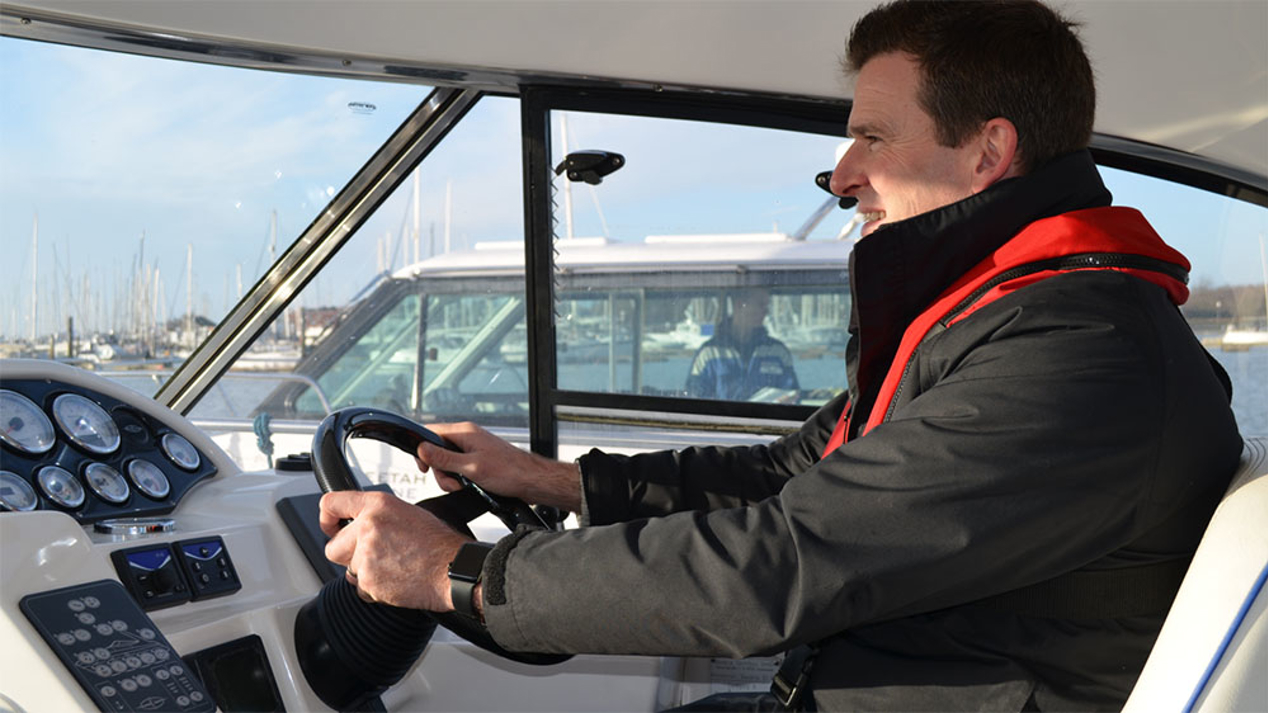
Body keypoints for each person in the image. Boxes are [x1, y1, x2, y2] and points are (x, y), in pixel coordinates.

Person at [319, 1, 1244, 709]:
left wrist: (458, 572)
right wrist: (557, 482)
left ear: (987, 152)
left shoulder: (1078, 355)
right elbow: (791, 474)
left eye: (872, 136)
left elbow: (782, 562)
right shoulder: (1002, 320)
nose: (842, 172)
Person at [685, 288, 800, 401]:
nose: (766, 312)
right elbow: (695, 400)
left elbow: (792, 397)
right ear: (740, 305)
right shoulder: (709, 354)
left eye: (766, 306)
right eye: (760, 305)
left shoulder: (778, 353)